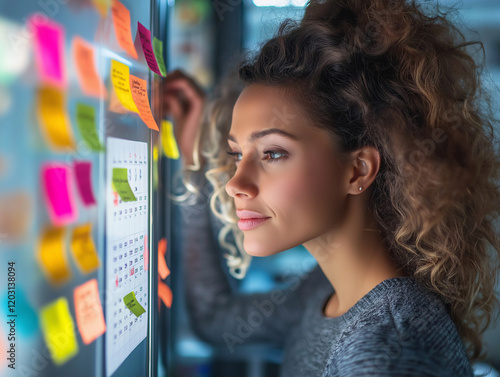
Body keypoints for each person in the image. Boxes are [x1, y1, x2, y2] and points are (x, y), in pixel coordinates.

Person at [162, 0, 500, 376]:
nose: (234, 184)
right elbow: (218, 321)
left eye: (272, 153)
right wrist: (192, 164)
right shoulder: (329, 288)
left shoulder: (386, 351)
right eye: (237, 154)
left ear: (357, 171)